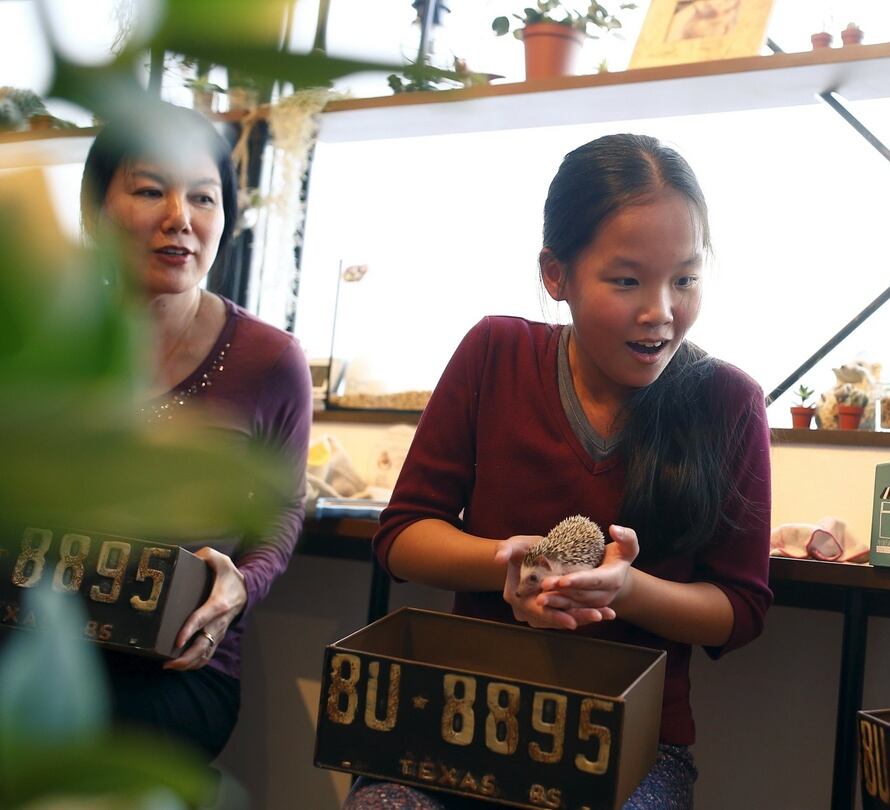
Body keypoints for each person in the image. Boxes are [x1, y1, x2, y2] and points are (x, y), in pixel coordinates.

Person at [352, 133, 773, 809]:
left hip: (636, 743)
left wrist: (627, 589)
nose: (661, 311)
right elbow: (403, 535)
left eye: (685, 279)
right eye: (627, 280)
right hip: (469, 712)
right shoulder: (496, 353)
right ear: (556, 274)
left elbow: (740, 610)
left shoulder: (728, 402)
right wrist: (507, 562)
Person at [79, 104, 312, 760]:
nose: (179, 216)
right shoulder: (48, 340)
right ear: (95, 212)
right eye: (150, 190)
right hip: (41, 634)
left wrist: (243, 584)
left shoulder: (269, 360)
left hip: (178, 661)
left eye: (203, 198)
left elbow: (281, 511)